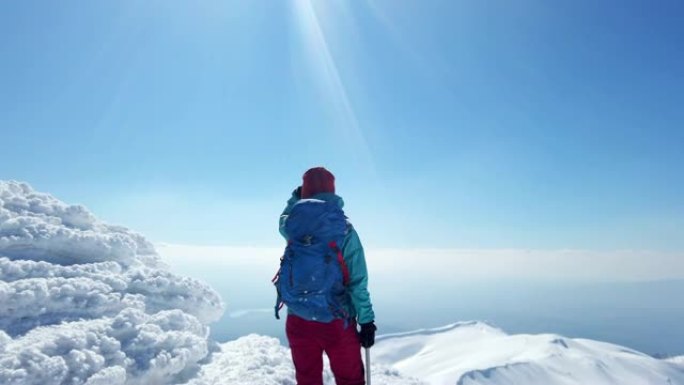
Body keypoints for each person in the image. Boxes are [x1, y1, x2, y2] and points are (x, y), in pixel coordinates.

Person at [276, 166, 376, 385]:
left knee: (308, 379)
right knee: (350, 379)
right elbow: (357, 281)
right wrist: (366, 321)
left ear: (304, 192)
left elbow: (282, 219)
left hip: (298, 318)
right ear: (332, 191)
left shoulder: (292, 227)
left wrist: (293, 200)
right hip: (337, 323)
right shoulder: (345, 230)